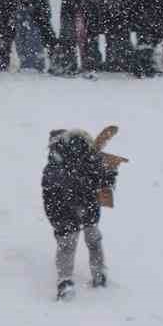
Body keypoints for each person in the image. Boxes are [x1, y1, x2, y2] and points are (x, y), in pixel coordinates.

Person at [43, 128, 117, 301]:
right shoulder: (89, 153)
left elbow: (50, 192)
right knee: (93, 239)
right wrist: (109, 175)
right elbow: (103, 179)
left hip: (63, 209)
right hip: (87, 204)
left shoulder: (54, 163)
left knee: (67, 245)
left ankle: (65, 283)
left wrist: (55, 219)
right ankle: (99, 275)